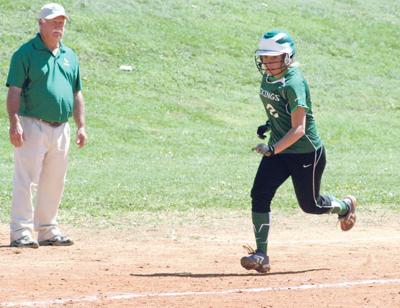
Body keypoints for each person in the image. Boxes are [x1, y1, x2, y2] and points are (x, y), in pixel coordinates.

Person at [240, 30, 356, 273]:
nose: (268, 63)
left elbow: (299, 129)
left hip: (305, 152)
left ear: (287, 57)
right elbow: (278, 109)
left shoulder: (293, 83)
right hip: (281, 150)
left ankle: (344, 207)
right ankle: (261, 254)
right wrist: (269, 124)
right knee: (260, 193)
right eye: (265, 58)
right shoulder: (269, 78)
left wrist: (272, 148)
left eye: (274, 58)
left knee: (311, 205)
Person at [6, 3, 87, 248]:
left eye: (61, 22)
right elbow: (14, 91)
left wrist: (81, 125)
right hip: (32, 125)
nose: (59, 26)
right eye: (53, 22)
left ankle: (48, 230)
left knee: (54, 180)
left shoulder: (69, 56)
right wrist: (14, 122)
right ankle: (21, 232)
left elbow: (76, 94)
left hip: (61, 127)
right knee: (26, 179)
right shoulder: (25, 53)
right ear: (41, 23)